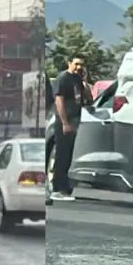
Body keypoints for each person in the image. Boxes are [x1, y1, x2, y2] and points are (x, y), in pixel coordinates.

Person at [50, 55, 90, 202]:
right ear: (69, 63)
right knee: (61, 155)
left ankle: (65, 187)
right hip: (64, 122)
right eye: (76, 64)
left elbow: (88, 98)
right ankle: (57, 188)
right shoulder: (63, 78)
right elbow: (59, 101)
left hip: (75, 120)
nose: (79, 67)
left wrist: (85, 82)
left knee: (68, 156)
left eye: (81, 65)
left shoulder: (78, 80)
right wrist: (64, 122)